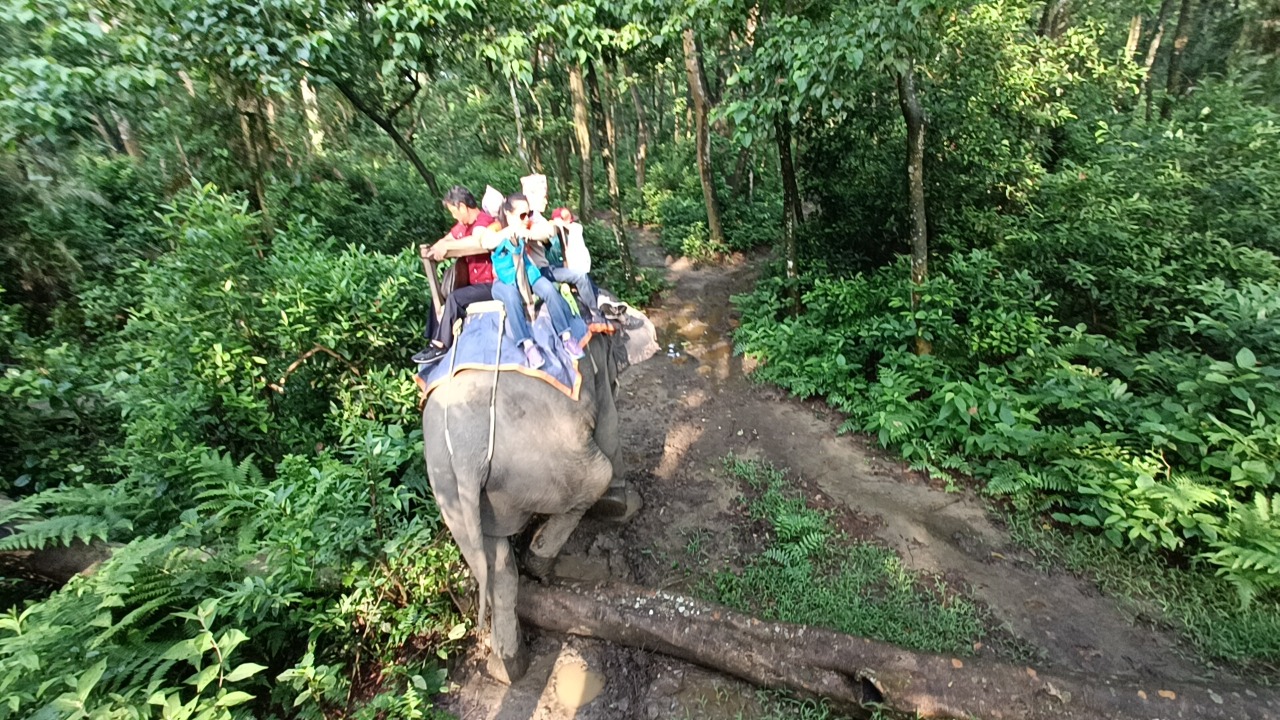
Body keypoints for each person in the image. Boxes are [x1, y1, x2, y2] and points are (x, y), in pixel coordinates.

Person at [486, 193, 585, 368]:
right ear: (509, 214)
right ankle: (527, 344)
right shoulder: (496, 227)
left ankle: (566, 336)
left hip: (527, 273)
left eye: (529, 214)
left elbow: (545, 230)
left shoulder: (527, 225)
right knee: (511, 297)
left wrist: (528, 232)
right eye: (522, 215)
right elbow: (486, 241)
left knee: (548, 290)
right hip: (505, 280)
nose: (526, 218)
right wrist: (509, 232)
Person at [412, 186, 500, 365]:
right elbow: (448, 239)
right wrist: (438, 247)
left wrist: (450, 248)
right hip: (473, 285)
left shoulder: (484, 221)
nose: (454, 216)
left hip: (492, 284)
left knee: (455, 298)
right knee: (440, 295)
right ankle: (432, 341)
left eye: (454, 211)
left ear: (462, 206)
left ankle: (441, 345)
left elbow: (478, 241)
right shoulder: (463, 226)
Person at [520, 174, 602, 322]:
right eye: (543, 197)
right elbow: (543, 232)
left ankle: (597, 300)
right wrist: (552, 226)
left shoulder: (537, 218)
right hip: (538, 271)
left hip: (543, 267)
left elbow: (547, 244)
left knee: (581, 274)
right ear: (531, 196)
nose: (546, 201)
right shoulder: (528, 219)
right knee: (580, 276)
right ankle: (595, 314)